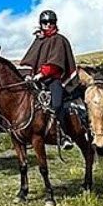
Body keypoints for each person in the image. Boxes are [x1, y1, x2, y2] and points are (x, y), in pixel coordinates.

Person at [20, 10, 76, 151]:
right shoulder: (39, 40)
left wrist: (40, 75)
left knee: (56, 105)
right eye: (45, 23)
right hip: (36, 81)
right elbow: (30, 59)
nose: (48, 25)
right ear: (41, 24)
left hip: (53, 80)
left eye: (51, 22)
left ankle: (64, 135)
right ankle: (26, 133)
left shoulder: (59, 40)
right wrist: (28, 75)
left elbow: (55, 63)